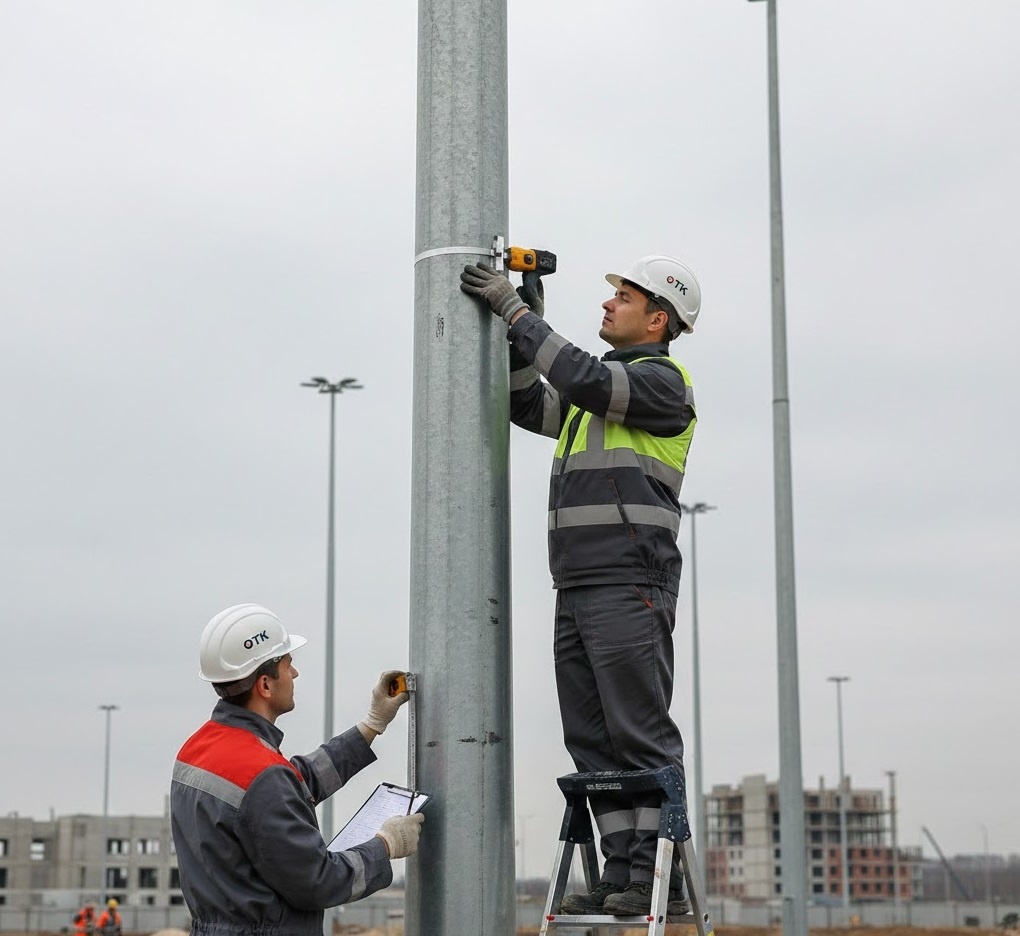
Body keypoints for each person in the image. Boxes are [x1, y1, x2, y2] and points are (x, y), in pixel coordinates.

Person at [461, 255, 701, 917]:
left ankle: (659, 881)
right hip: (579, 584)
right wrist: (520, 337)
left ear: (659, 317)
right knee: (594, 741)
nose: (607, 304)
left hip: (629, 582)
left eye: (623, 296)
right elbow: (527, 401)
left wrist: (518, 312)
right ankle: (623, 871)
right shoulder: (595, 390)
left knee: (638, 732)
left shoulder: (662, 384)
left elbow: (583, 379)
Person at [171, 603, 424, 936]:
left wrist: (372, 725)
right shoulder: (262, 775)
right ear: (265, 685)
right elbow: (319, 881)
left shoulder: (198, 749)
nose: (294, 674)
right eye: (288, 664)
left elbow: (292, 783)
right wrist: (386, 845)